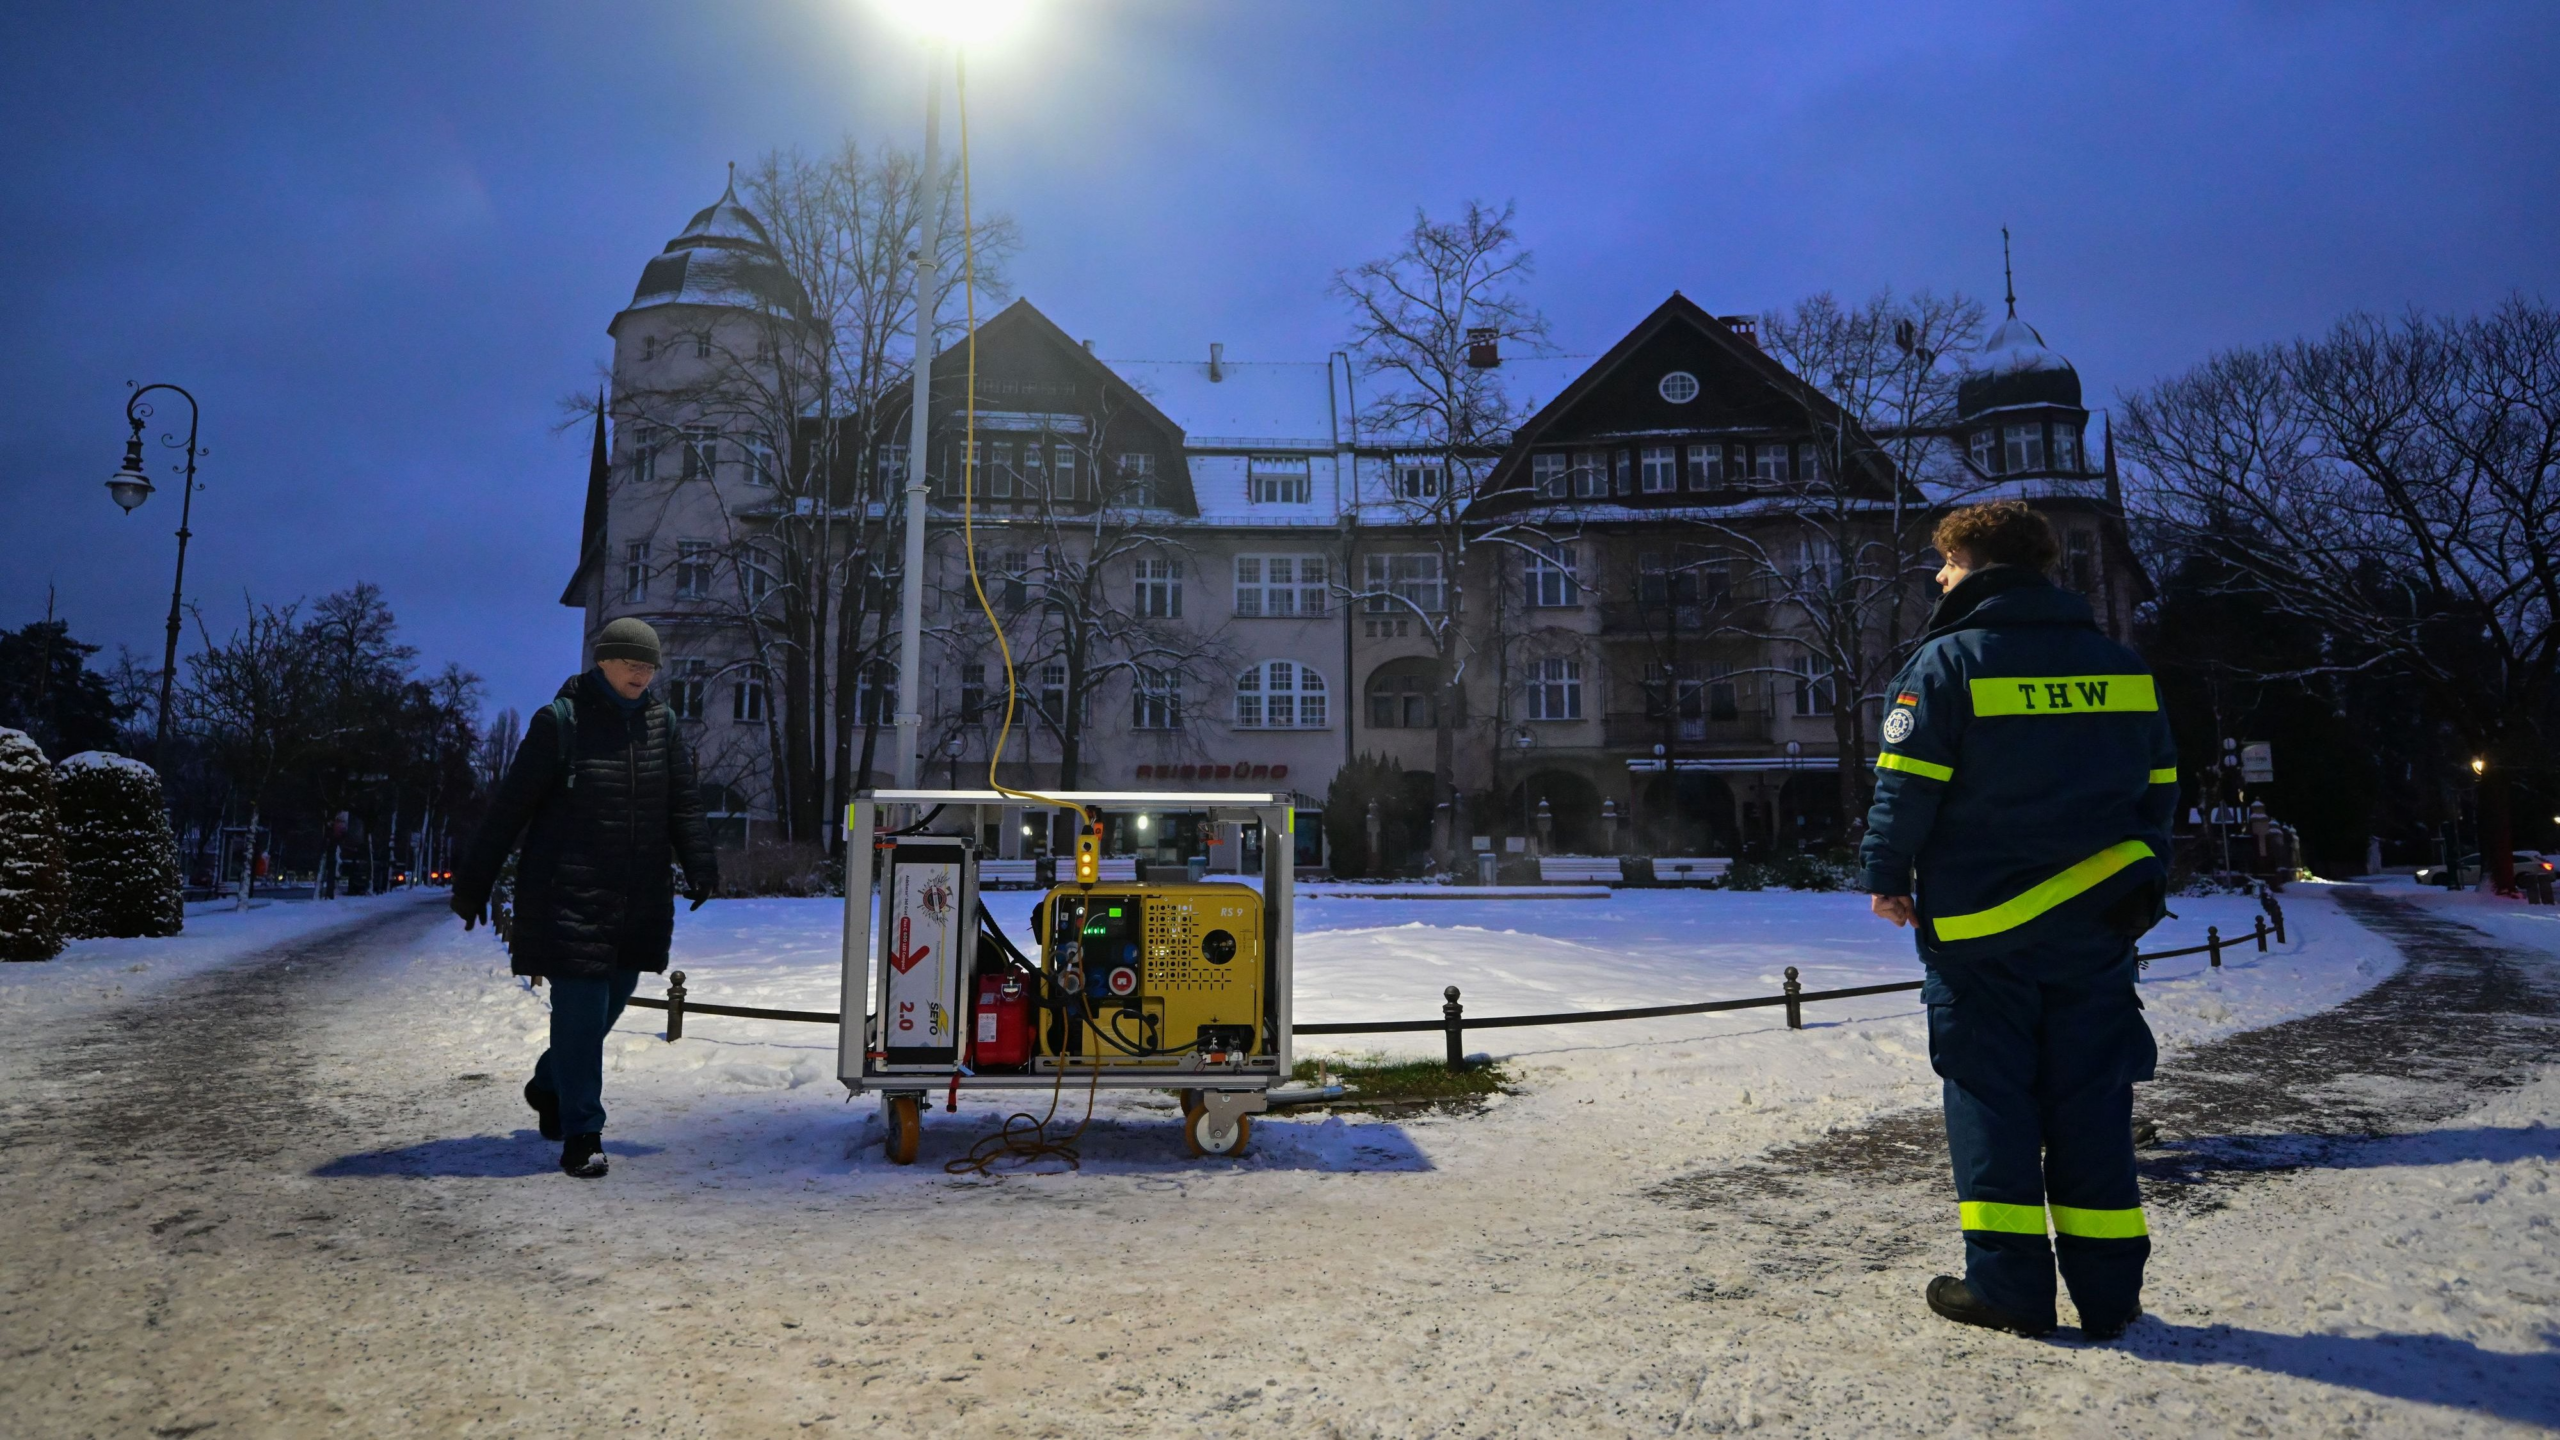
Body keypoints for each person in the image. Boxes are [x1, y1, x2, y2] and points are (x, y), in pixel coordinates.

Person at [1861, 501, 2177, 1341]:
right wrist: (2141, 880)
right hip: (2097, 927)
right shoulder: (2120, 665)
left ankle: (2007, 1287)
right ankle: (2111, 1297)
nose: (1938, 578)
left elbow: (1906, 786)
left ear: (1973, 562)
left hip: (1981, 930)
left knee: (1990, 1097)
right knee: (2092, 1101)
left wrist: (1885, 877)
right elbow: (2162, 789)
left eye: (1947, 564)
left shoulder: (1947, 663)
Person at [452, 618, 718, 1178]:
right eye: (632, 663)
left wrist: (700, 864)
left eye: (649, 666)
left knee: (611, 1002)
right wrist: (475, 879)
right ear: (603, 661)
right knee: (579, 1015)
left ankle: (549, 1082)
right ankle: (584, 1134)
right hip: (568, 892)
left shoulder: (661, 724)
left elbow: (683, 805)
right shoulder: (560, 723)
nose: (642, 674)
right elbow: (510, 807)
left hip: (636, 895)